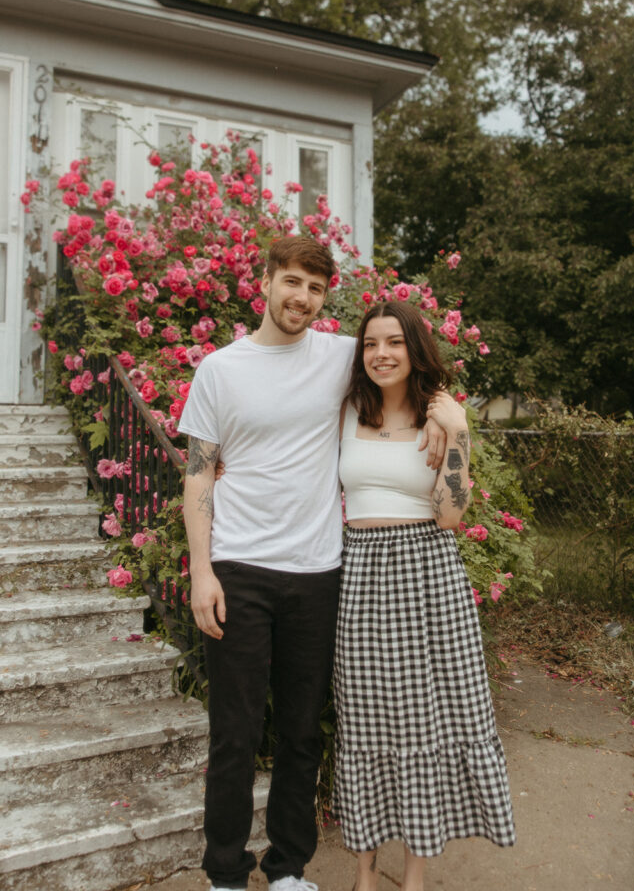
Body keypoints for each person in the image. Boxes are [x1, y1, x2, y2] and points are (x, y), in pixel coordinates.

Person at [178, 236, 446, 891]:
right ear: (265, 283)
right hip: (238, 567)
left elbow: (408, 371)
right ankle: (223, 874)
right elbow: (197, 475)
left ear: (325, 299)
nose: (301, 297)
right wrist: (202, 571)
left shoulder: (340, 358)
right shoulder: (220, 369)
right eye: (292, 282)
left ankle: (288, 868)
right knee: (234, 734)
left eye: (316, 288)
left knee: (301, 730)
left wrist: (451, 411)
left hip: (321, 572)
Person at [333, 301, 516, 891]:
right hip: (359, 573)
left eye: (394, 343)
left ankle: (412, 875)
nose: (381, 354)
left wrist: (458, 431)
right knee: (362, 719)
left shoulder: (441, 418)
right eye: (370, 344)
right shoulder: (345, 411)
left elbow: (451, 515)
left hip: (425, 573)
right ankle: (364, 872)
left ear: (414, 349)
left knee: (421, 723)